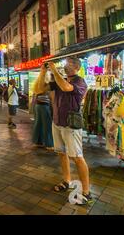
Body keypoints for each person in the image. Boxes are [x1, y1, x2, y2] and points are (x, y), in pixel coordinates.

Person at [34, 57, 92, 205]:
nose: (66, 66)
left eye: (70, 64)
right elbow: (39, 89)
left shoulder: (80, 81)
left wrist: (54, 70)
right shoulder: (60, 80)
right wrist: (42, 72)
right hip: (57, 122)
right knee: (61, 153)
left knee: (77, 157)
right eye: (66, 64)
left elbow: (66, 87)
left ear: (77, 68)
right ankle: (67, 180)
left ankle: (86, 191)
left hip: (70, 125)